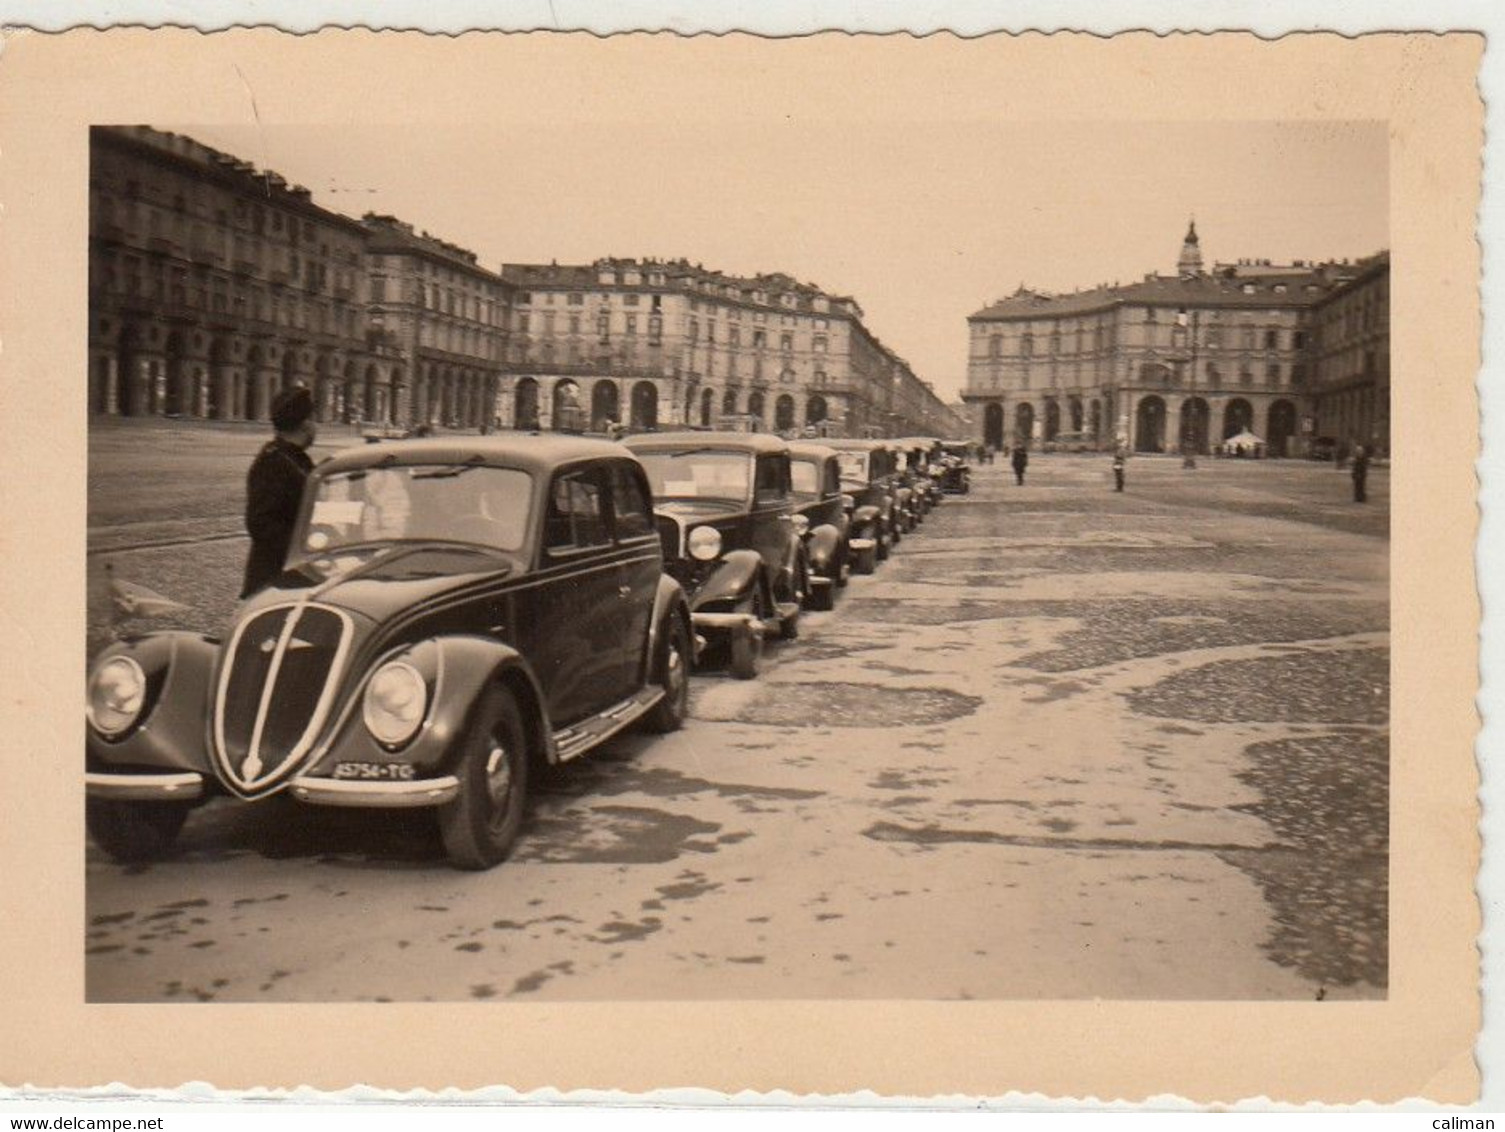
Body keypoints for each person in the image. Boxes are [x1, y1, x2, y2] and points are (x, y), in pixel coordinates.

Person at [241, 385, 317, 598]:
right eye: (314, 419)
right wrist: (303, 545)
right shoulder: (274, 462)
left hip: (290, 577)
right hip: (272, 582)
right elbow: (260, 523)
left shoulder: (294, 458)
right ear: (306, 424)